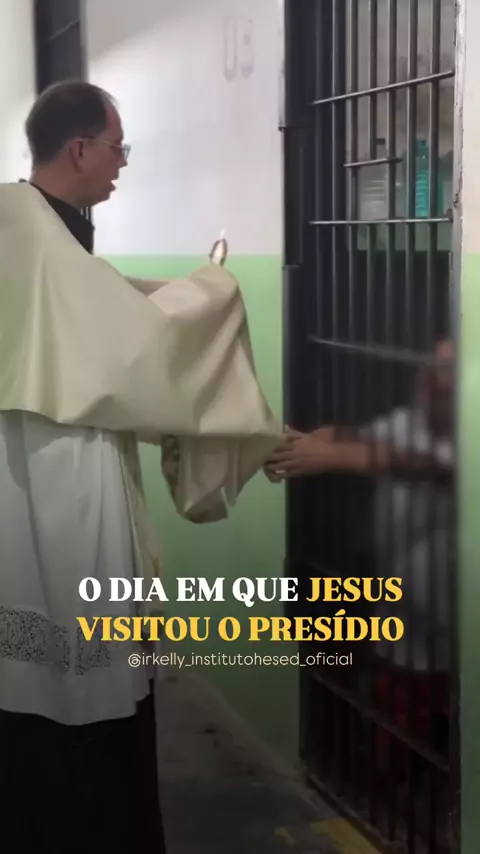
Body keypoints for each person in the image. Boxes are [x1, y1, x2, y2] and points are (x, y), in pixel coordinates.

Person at [0, 81, 280, 853]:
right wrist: (214, 293)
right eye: (118, 147)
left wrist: (186, 295)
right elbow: (137, 346)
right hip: (63, 477)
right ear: (79, 149)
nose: (123, 162)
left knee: (31, 696)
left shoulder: (24, 226)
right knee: (83, 702)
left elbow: (108, 312)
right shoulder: (42, 238)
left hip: (22, 475)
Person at [265, 340, 454, 768]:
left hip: (449, 627)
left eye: (448, 370)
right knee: (397, 737)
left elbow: (423, 464)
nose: (433, 377)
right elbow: (363, 438)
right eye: (432, 366)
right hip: (401, 618)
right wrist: (307, 441)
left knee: (445, 743)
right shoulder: (411, 421)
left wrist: (330, 456)